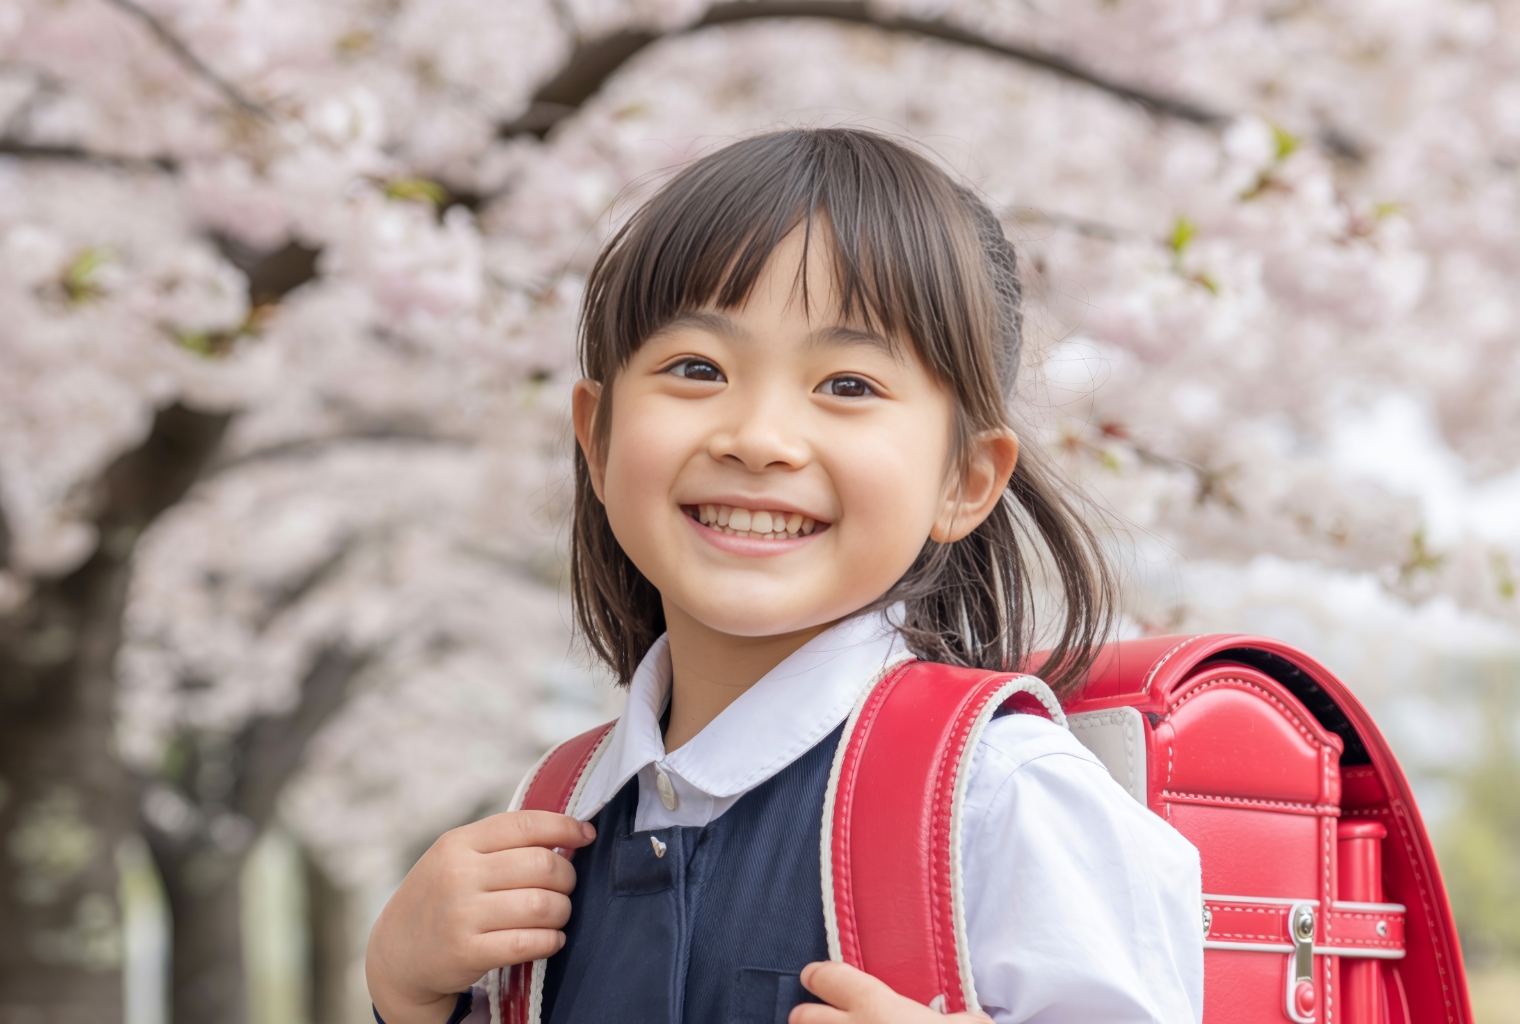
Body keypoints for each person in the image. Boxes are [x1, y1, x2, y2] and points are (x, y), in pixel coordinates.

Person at [365, 127, 1204, 1024]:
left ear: (965, 480)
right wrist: (408, 994)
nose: (758, 438)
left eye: (847, 385)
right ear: (599, 439)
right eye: (697, 368)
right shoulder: (557, 818)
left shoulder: (1005, 797)